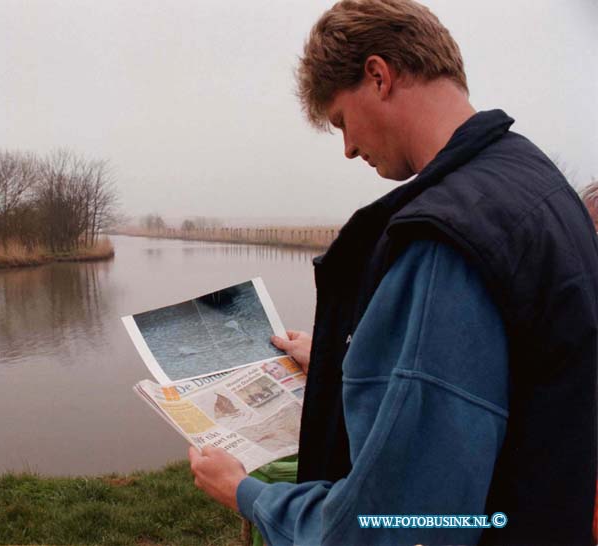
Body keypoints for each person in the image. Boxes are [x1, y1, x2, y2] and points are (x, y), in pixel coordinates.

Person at [188, 1, 598, 544]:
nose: (349, 148)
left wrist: (247, 492)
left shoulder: (445, 242)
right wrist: (349, 358)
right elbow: (506, 380)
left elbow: (398, 525)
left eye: (341, 121)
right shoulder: (538, 183)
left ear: (378, 76)